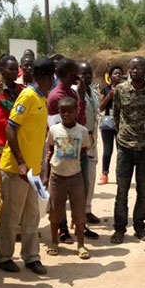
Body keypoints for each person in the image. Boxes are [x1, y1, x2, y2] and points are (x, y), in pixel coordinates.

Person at [0, 57, 55, 276]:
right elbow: (11, 128)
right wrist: (20, 162)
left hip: (32, 171)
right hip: (15, 168)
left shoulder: (41, 97)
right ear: (47, 77)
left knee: (31, 215)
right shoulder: (28, 96)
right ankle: (3, 256)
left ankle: (31, 257)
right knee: (11, 215)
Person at [110, 57, 145, 244]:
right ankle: (119, 229)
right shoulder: (120, 90)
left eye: (139, 68)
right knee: (122, 190)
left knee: (143, 190)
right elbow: (116, 115)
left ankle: (140, 227)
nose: (135, 71)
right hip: (125, 148)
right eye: (132, 68)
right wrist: (120, 138)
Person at [43, 96, 91, 260]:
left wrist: (74, 164)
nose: (66, 115)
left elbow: (83, 150)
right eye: (62, 112)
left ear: (76, 112)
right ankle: (54, 242)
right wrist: (46, 175)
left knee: (79, 211)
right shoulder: (54, 130)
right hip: (57, 176)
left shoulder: (82, 131)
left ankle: (81, 245)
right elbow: (50, 151)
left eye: (70, 111)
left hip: (75, 176)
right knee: (56, 210)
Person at [0, 54, 24, 230]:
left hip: (23, 145)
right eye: (11, 68)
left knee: (22, 189)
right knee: (4, 191)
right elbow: (1, 122)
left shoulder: (22, 90)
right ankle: (6, 226)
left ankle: (19, 225)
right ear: (2, 70)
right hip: (5, 146)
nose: (15, 71)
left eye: (16, 68)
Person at [77, 61, 100, 223]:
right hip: (78, 141)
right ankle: (76, 215)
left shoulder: (93, 92)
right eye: (83, 73)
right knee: (77, 179)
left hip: (92, 139)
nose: (86, 76)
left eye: (89, 73)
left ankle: (87, 209)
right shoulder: (74, 92)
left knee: (90, 177)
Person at [98, 64, 124, 185]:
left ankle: (121, 175)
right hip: (108, 124)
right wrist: (109, 96)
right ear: (110, 76)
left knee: (121, 151)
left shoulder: (125, 89)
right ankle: (104, 174)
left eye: (120, 73)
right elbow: (101, 107)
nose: (118, 75)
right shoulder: (105, 89)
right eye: (115, 73)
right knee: (107, 150)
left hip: (122, 124)